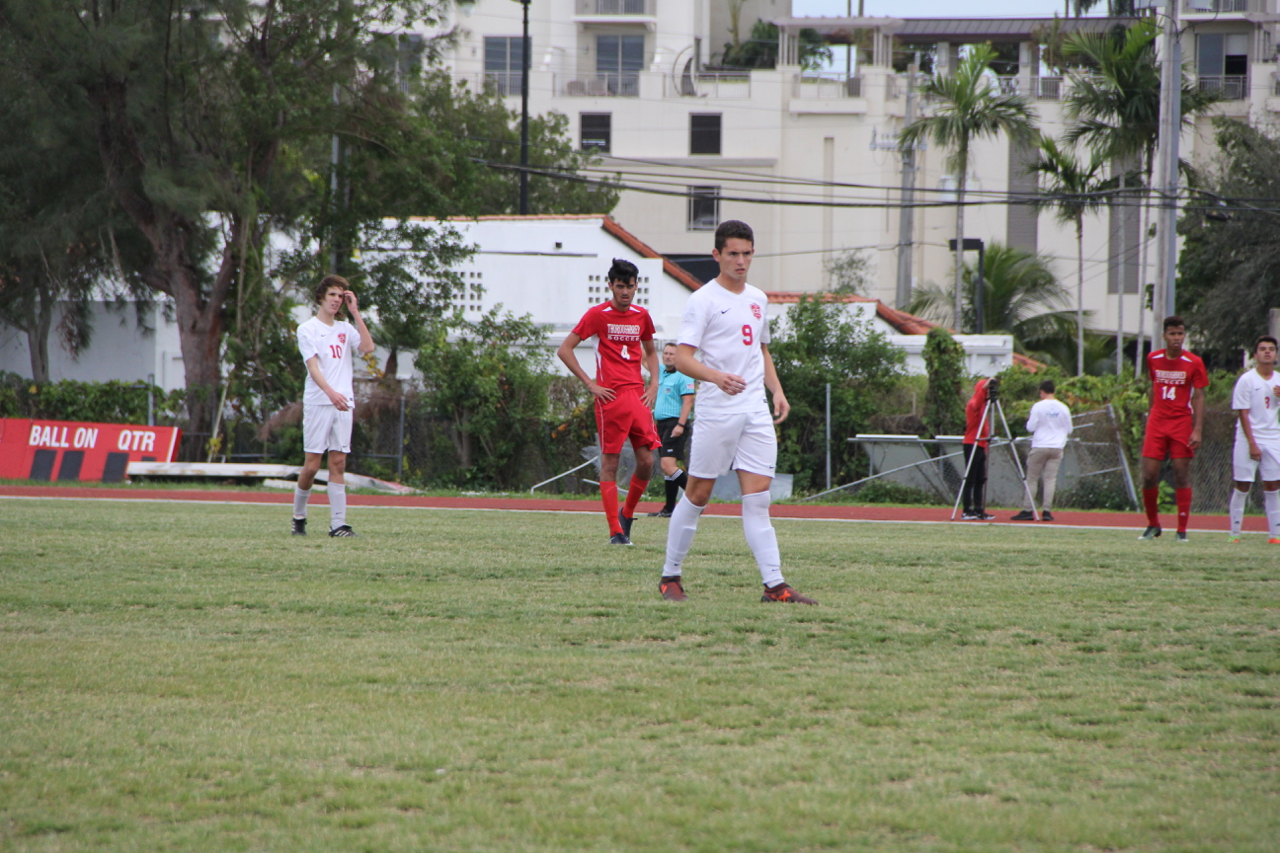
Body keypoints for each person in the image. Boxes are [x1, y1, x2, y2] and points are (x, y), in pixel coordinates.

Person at [657, 220, 816, 604]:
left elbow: (761, 351)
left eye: (746, 253)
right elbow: (681, 358)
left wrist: (776, 391)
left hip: (755, 411)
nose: (741, 261)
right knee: (697, 494)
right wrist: (716, 377)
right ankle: (670, 576)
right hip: (716, 411)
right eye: (733, 253)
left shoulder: (758, 299)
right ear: (717, 255)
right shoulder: (703, 300)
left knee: (759, 498)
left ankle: (775, 586)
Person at [557, 258, 661, 545]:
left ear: (636, 286)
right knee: (610, 463)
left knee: (647, 461)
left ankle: (627, 514)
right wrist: (590, 384)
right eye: (620, 286)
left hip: (638, 397)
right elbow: (565, 349)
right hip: (611, 398)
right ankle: (615, 531)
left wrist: (654, 383)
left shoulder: (642, 316)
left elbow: (652, 351)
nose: (625, 292)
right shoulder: (597, 314)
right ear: (610, 286)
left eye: (630, 286)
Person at [292, 274, 376, 537]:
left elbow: (368, 347)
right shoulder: (307, 329)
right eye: (333, 295)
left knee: (338, 463)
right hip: (319, 402)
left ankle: (338, 524)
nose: (337, 300)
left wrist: (356, 312)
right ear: (321, 297)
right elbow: (313, 367)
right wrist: (330, 393)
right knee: (312, 466)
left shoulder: (345, 328)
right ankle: (299, 517)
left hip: (343, 404)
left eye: (341, 296)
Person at [1139, 316, 1208, 542]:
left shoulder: (1194, 362)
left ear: (1184, 335)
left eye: (1180, 334)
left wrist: (1197, 429)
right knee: (1149, 475)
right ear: (1164, 336)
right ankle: (1152, 525)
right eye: (1172, 334)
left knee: (1181, 474)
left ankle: (1181, 530)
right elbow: (1153, 386)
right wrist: (1150, 416)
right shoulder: (1153, 358)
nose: (1177, 338)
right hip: (1158, 422)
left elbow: (1199, 395)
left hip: (1181, 423)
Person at [1228, 335, 1280, 544]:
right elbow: (1242, 412)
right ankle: (1234, 534)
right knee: (1243, 484)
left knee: (1273, 485)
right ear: (1256, 354)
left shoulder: (1278, 380)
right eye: (1262, 349)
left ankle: (1274, 535)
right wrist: (1251, 443)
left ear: (1276, 355)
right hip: (1248, 436)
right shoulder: (1247, 380)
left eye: (1271, 349)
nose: (1267, 352)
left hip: (1273, 436)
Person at [1011, 379, 1073, 523]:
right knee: (1050, 479)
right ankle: (1047, 511)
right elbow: (1069, 429)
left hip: (1040, 445)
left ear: (1042, 392)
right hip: (1057, 447)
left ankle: (1028, 509)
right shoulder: (1063, 407)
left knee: (1032, 478)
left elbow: (1030, 427)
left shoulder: (1038, 406)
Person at [647, 342, 695, 518]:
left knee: (667, 465)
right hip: (661, 425)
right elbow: (643, 357)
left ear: (678, 357)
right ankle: (668, 508)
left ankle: (697, 499)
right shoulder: (660, 372)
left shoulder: (684, 375)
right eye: (666, 353)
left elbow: (688, 401)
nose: (668, 356)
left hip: (675, 423)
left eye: (672, 354)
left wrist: (680, 425)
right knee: (669, 468)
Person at [960, 378, 995, 520]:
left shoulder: (984, 407)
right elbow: (976, 405)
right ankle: (966, 509)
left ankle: (979, 509)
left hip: (981, 444)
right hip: (972, 443)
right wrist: (983, 390)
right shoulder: (974, 403)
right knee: (971, 478)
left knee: (980, 479)